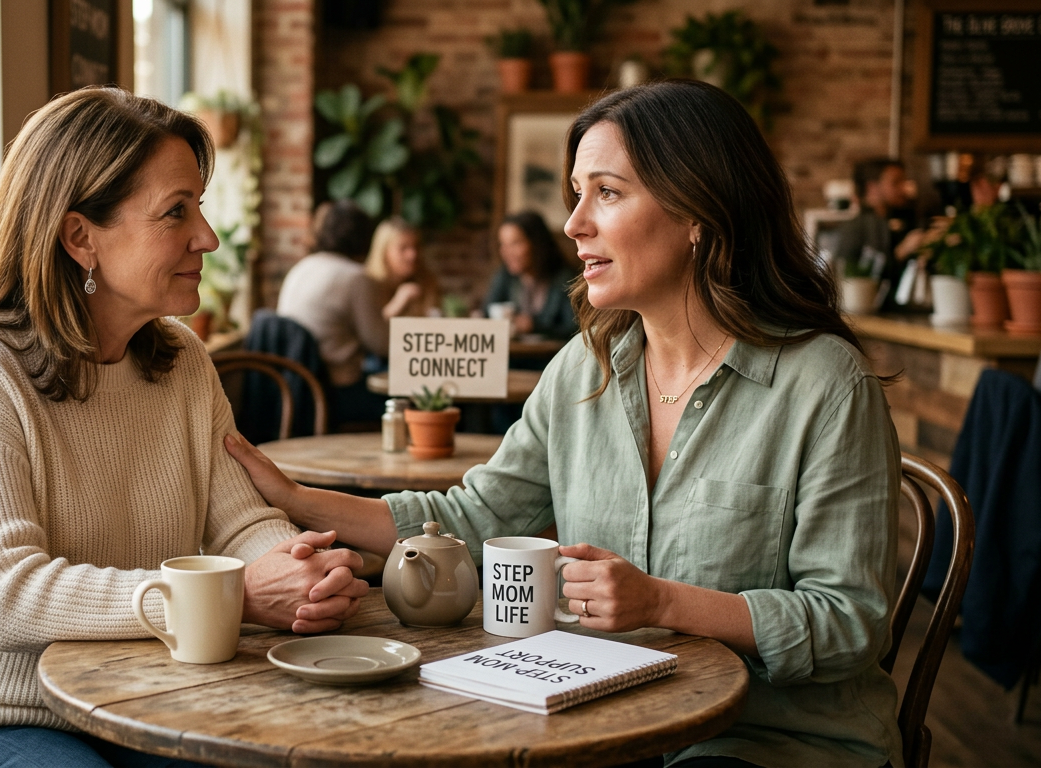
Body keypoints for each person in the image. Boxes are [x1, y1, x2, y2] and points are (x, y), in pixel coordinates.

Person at [227, 80, 903, 768]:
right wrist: (296, 498)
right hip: (597, 720)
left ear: (699, 210)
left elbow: (850, 622)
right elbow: (472, 517)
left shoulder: (824, 383)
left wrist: (662, 601)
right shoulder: (586, 366)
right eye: (576, 193)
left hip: (768, 741)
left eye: (606, 193)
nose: (574, 223)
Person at [0, 87, 368, 768]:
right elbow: (3, 598)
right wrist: (228, 597)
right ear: (81, 237)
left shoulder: (181, 359)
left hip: (141, 702)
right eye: (176, 212)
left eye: (199, 206)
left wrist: (298, 571)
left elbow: (237, 524)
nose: (208, 237)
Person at [276, 200, 389, 422]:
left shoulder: (302, 268)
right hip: (332, 393)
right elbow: (380, 343)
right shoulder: (355, 277)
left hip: (293, 392)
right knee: (408, 405)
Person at [834, 158, 926, 309]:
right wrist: (901, 252)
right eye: (896, 182)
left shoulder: (901, 220)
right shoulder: (855, 227)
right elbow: (853, 280)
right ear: (872, 187)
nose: (904, 188)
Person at [484, 211, 579, 339]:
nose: (507, 252)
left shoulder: (564, 278)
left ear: (537, 244)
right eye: (503, 245)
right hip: (515, 356)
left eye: (515, 243)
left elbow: (574, 329)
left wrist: (534, 325)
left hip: (549, 357)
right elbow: (487, 313)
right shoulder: (505, 276)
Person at [365, 216, 441, 319]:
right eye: (403, 248)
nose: (412, 255)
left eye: (416, 246)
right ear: (383, 251)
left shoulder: (427, 282)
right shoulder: (366, 284)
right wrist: (397, 303)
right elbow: (368, 328)